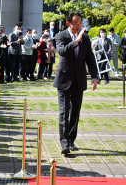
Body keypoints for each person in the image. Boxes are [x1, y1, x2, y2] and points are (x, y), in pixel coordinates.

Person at [53, 12, 98, 155]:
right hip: (64, 79)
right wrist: (76, 41)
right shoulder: (61, 36)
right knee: (63, 112)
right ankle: (64, 143)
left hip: (79, 80)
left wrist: (94, 76)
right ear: (68, 23)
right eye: (75, 23)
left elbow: (90, 58)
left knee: (75, 112)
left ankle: (71, 140)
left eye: (80, 23)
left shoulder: (86, 38)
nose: (78, 26)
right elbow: (62, 51)